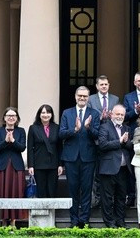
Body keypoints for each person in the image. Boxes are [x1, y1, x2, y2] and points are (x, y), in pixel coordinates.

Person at [59, 86, 101, 228]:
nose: (82, 98)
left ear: (88, 98)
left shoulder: (94, 114)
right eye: (80, 96)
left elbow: (97, 135)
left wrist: (88, 128)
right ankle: (74, 219)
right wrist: (75, 130)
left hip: (88, 157)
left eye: (85, 96)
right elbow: (61, 134)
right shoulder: (67, 113)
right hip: (71, 157)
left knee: (86, 188)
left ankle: (84, 219)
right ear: (75, 96)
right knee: (73, 189)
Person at [97, 104, 133, 228]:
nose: (120, 116)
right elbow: (102, 145)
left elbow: (130, 147)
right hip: (108, 168)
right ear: (111, 114)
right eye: (117, 114)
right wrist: (119, 141)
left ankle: (120, 222)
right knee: (107, 198)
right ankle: (109, 223)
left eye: (122, 114)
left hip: (123, 169)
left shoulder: (127, 128)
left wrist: (126, 142)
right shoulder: (104, 127)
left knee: (121, 197)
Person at [0, 107, 27, 226]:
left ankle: (13, 221)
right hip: (1, 167)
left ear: (17, 118)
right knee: (1, 193)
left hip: (16, 166)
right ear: (4, 118)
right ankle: (2, 220)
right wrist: (6, 141)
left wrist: (13, 140)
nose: (11, 117)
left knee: (16, 193)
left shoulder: (21, 131)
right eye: (9, 115)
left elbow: (22, 148)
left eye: (14, 115)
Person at [27, 104, 62, 198]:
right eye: (43, 112)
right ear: (39, 114)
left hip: (53, 164)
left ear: (51, 115)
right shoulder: (33, 128)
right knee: (41, 190)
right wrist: (31, 165)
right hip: (39, 164)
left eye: (48, 112)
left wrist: (60, 164)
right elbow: (30, 148)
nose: (45, 115)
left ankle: (52, 212)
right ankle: (42, 212)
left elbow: (59, 147)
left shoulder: (57, 127)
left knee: (52, 190)